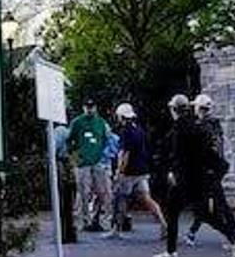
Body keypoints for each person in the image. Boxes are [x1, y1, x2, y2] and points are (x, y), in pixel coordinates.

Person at [153, 94, 235, 257]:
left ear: (174, 110)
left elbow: (177, 156)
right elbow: (207, 153)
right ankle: (234, 238)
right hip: (200, 178)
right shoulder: (196, 126)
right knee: (201, 213)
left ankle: (171, 251)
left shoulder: (179, 129)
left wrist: (172, 173)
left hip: (185, 179)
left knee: (176, 211)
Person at [104, 103, 166, 239]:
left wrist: (119, 171)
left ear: (121, 116)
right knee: (147, 198)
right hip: (142, 170)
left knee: (121, 199)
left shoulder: (126, 131)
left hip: (129, 172)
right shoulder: (139, 129)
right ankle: (163, 223)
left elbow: (125, 154)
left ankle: (116, 229)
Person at [184, 94, 235, 247]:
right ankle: (194, 232)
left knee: (213, 204)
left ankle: (233, 237)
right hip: (215, 168)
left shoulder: (203, 126)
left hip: (208, 170)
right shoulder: (214, 124)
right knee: (210, 203)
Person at [67, 98, 113, 232]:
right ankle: (84, 220)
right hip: (82, 164)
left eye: (91, 106)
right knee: (83, 192)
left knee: (102, 191)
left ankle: (96, 219)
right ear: (83, 107)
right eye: (87, 106)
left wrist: (100, 155)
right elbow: (69, 142)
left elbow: (105, 140)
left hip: (97, 162)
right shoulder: (77, 122)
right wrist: (75, 160)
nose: (89, 109)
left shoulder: (100, 122)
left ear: (95, 107)